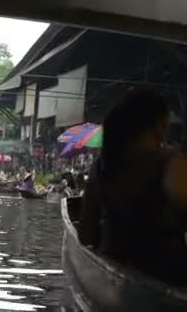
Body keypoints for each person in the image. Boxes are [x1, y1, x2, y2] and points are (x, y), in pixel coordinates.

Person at [78, 90, 187, 285]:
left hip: (112, 268)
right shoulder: (170, 161)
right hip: (165, 276)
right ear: (160, 125)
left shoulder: (101, 165)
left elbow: (86, 233)